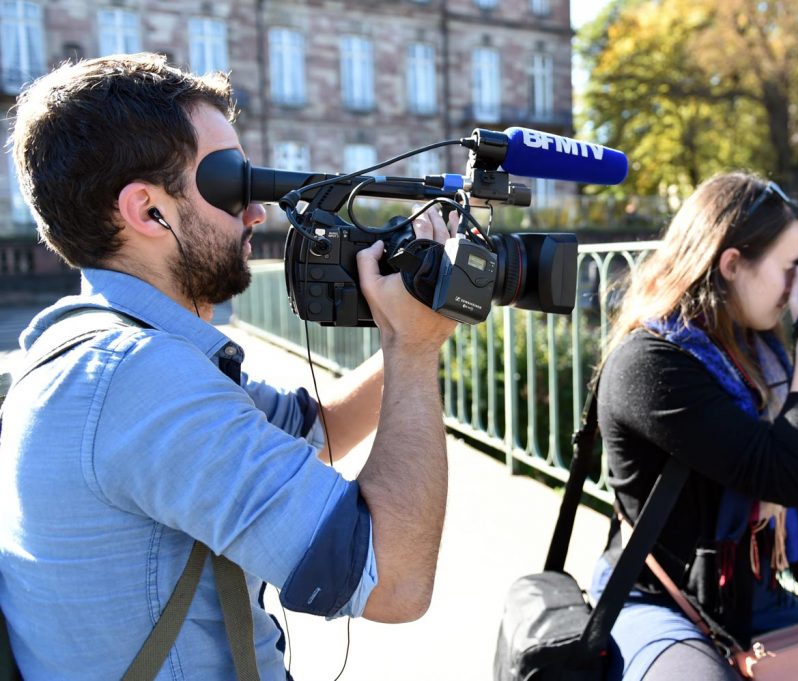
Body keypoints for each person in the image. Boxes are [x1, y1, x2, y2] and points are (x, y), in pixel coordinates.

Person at [0, 53, 456, 679]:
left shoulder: (89, 348)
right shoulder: (138, 378)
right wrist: (415, 352)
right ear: (148, 211)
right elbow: (394, 579)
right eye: (232, 184)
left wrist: (423, 324)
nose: (257, 211)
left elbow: (316, 428)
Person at [590, 172, 798, 680]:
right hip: (657, 600)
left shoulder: (754, 351)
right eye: (790, 269)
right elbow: (787, 478)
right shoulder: (652, 364)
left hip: (745, 596)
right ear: (731, 264)